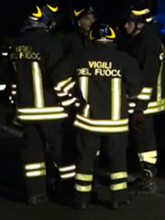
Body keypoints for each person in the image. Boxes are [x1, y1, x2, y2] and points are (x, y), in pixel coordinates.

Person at [52, 22, 147, 210]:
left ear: (92, 38)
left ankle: (81, 198)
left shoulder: (80, 57)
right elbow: (138, 90)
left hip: (88, 122)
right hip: (116, 123)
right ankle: (118, 197)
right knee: (117, 160)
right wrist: (132, 109)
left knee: (85, 160)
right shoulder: (125, 60)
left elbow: (56, 77)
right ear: (112, 37)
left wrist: (74, 99)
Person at [9, 3, 75, 205]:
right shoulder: (51, 45)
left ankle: (36, 193)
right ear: (45, 21)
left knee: (33, 155)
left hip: (27, 112)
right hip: (51, 111)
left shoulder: (17, 45)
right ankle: (68, 191)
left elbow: (13, 80)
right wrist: (72, 102)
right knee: (62, 153)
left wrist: (15, 105)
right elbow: (60, 78)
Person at [123, 4, 165, 194]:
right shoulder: (143, 40)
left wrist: (140, 107)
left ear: (139, 23)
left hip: (147, 102)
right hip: (146, 101)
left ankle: (148, 177)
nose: (125, 26)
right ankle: (144, 174)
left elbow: (146, 78)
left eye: (129, 22)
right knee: (141, 137)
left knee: (144, 138)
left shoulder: (148, 44)